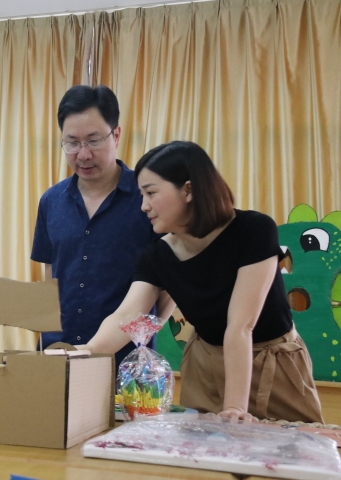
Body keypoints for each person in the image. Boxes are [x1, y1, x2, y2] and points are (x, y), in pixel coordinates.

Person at [86, 141, 323, 423]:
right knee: (203, 444)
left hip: (271, 361)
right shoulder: (157, 255)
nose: (144, 206)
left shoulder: (253, 230)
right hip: (205, 366)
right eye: (141, 195)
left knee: (290, 444)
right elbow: (125, 316)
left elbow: (241, 325)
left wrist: (235, 406)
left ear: (188, 190)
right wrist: (84, 352)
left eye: (151, 193)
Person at [31, 85, 158, 362]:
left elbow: (168, 284)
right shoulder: (51, 201)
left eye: (93, 140)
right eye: (72, 142)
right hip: (59, 351)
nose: (83, 154)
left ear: (116, 135)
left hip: (126, 359)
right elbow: (50, 277)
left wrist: (145, 337)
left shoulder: (147, 198)